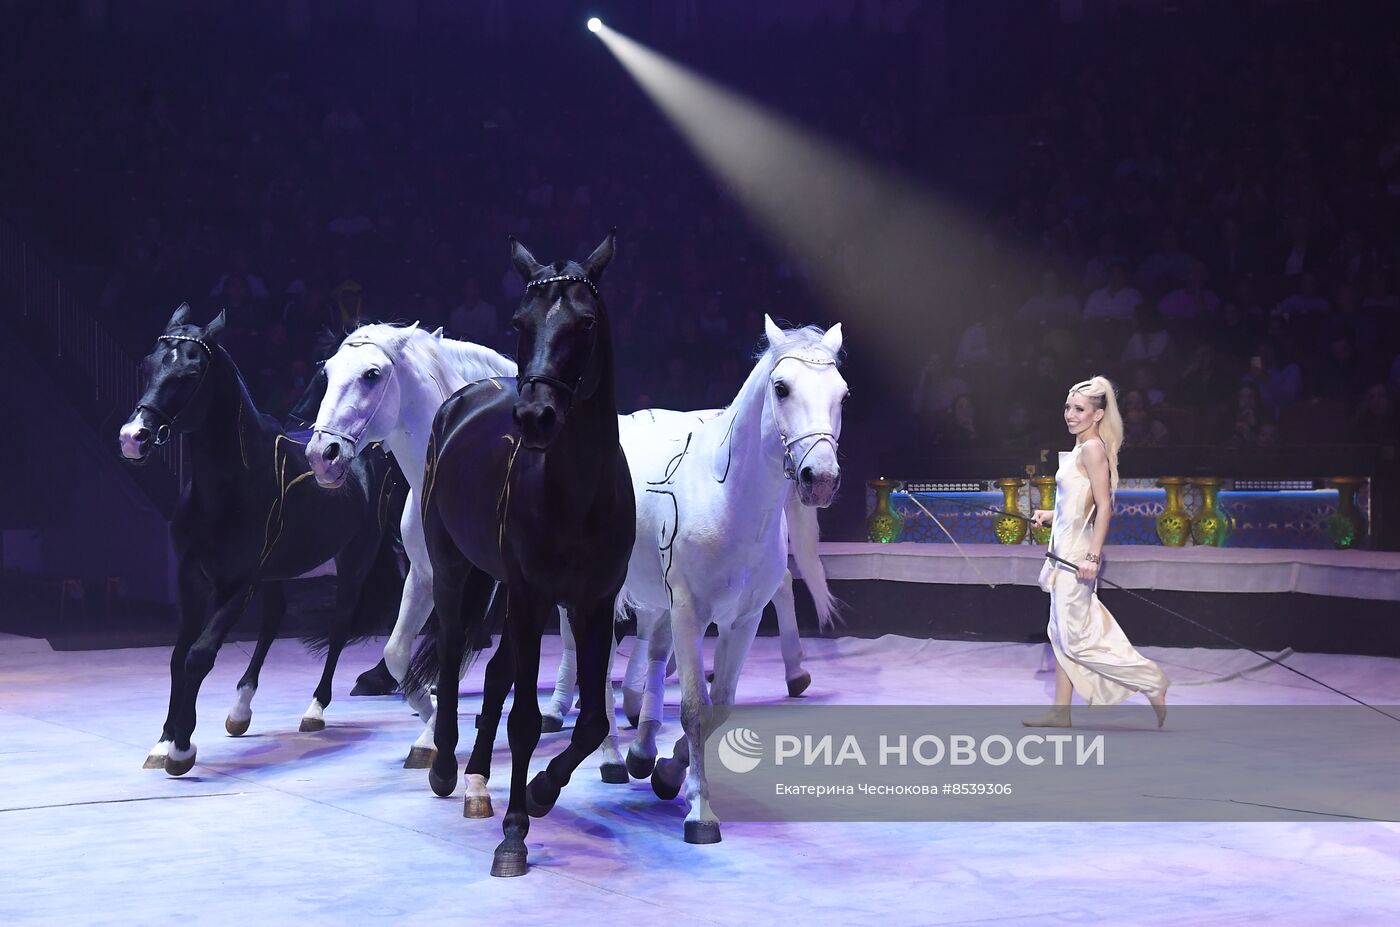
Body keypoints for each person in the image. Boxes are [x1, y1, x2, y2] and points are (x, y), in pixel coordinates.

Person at [1024, 376, 1169, 728]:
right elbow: (1079, 506)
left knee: (1076, 640)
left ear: (1098, 414)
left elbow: (1105, 506)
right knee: (1060, 633)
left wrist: (1092, 557)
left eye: (1079, 409)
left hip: (1076, 557)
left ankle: (1151, 681)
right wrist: (1051, 514)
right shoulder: (1078, 450)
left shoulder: (1092, 450)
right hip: (1064, 550)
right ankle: (1060, 712)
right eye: (1068, 408)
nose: (1070, 415)